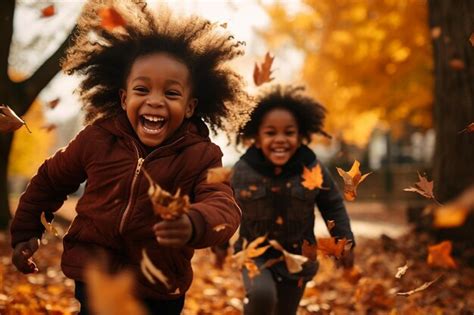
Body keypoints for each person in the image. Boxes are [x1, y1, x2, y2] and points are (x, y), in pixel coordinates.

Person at [10, 1, 251, 314]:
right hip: (97, 272)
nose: (155, 101)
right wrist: (26, 231)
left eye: (171, 93)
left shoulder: (201, 156)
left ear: (190, 107)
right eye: (142, 90)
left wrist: (194, 222)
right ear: (124, 98)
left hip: (159, 284)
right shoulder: (97, 138)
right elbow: (50, 180)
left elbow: (222, 205)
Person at [223, 85, 355, 315]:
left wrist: (343, 241)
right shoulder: (244, 169)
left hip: (298, 256)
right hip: (255, 254)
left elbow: (332, 204)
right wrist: (218, 243)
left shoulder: (312, 167)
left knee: (285, 310)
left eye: (289, 132)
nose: (280, 139)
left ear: (301, 135)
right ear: (256, 136)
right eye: (270, 133)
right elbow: (224, 207)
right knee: (262, 296)